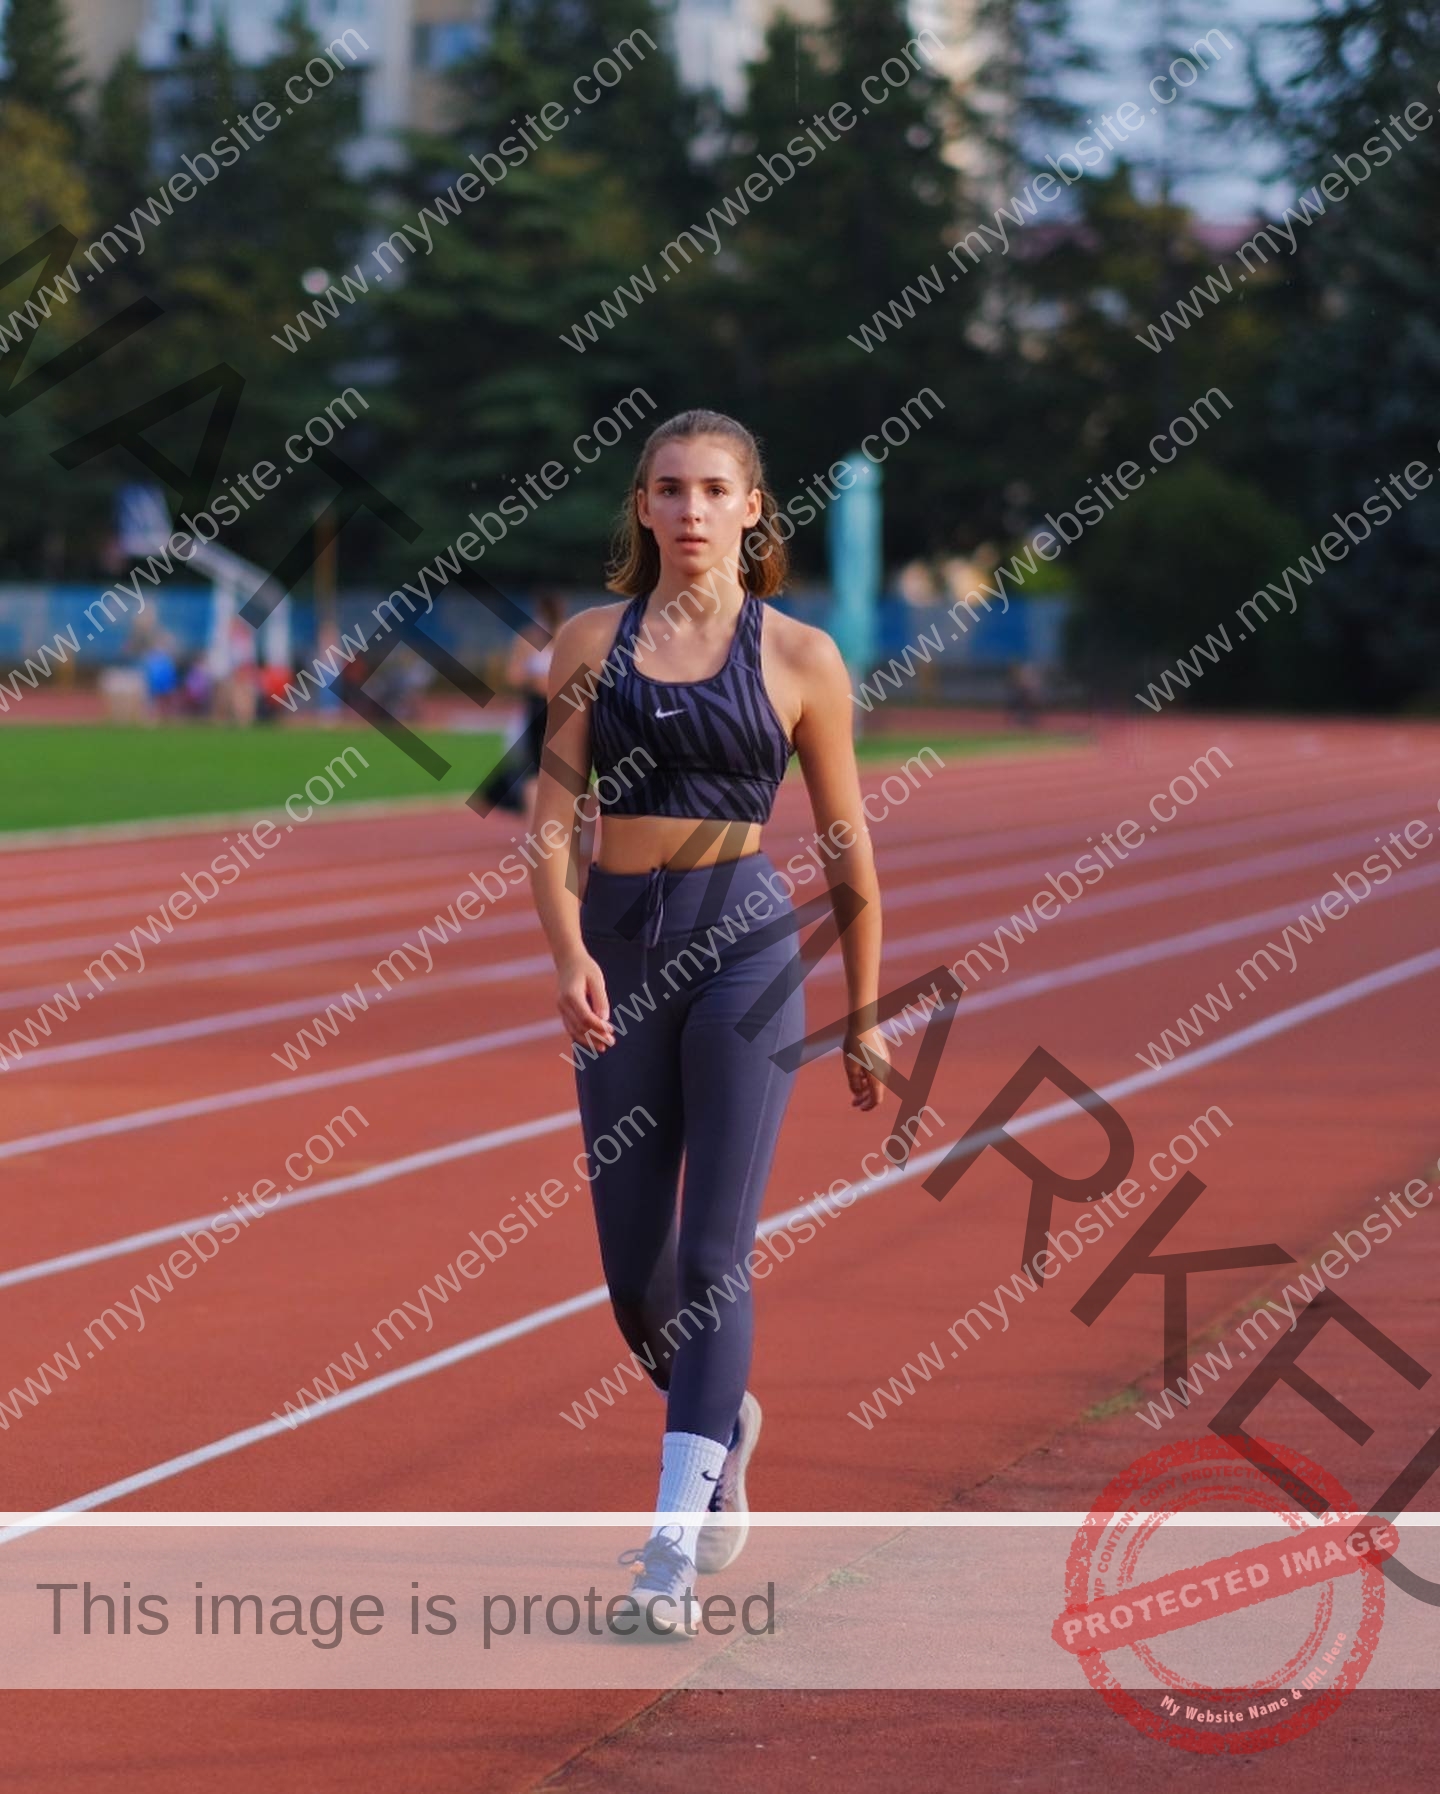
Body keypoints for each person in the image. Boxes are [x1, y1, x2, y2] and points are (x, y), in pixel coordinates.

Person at [528, 408, 890, 1639]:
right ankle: (722, 1420)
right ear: (643, 507)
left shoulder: (801, 657)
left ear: (752, 509)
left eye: (713, 490)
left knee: (718, 1250)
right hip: (620, 947)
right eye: (669, 489)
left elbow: (849, 851)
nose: (689, 511)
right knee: (638, 1279)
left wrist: (865, 1019)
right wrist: (572, 947)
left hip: (745, 954)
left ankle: (668, 1560)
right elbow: (551, 821)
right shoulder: (588, 640)